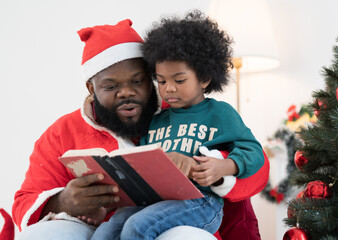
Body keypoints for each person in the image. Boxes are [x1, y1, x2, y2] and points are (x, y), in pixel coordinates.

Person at [91, 11, 265, 240]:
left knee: (137, 227)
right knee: (107, 231)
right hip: (158, 200)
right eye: (161, 81)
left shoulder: (220, 113)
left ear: (204, 78)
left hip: (202, 203)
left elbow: (253, 152)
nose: (168, 89)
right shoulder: (156, 120)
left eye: (179, 80)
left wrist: (225, 167)